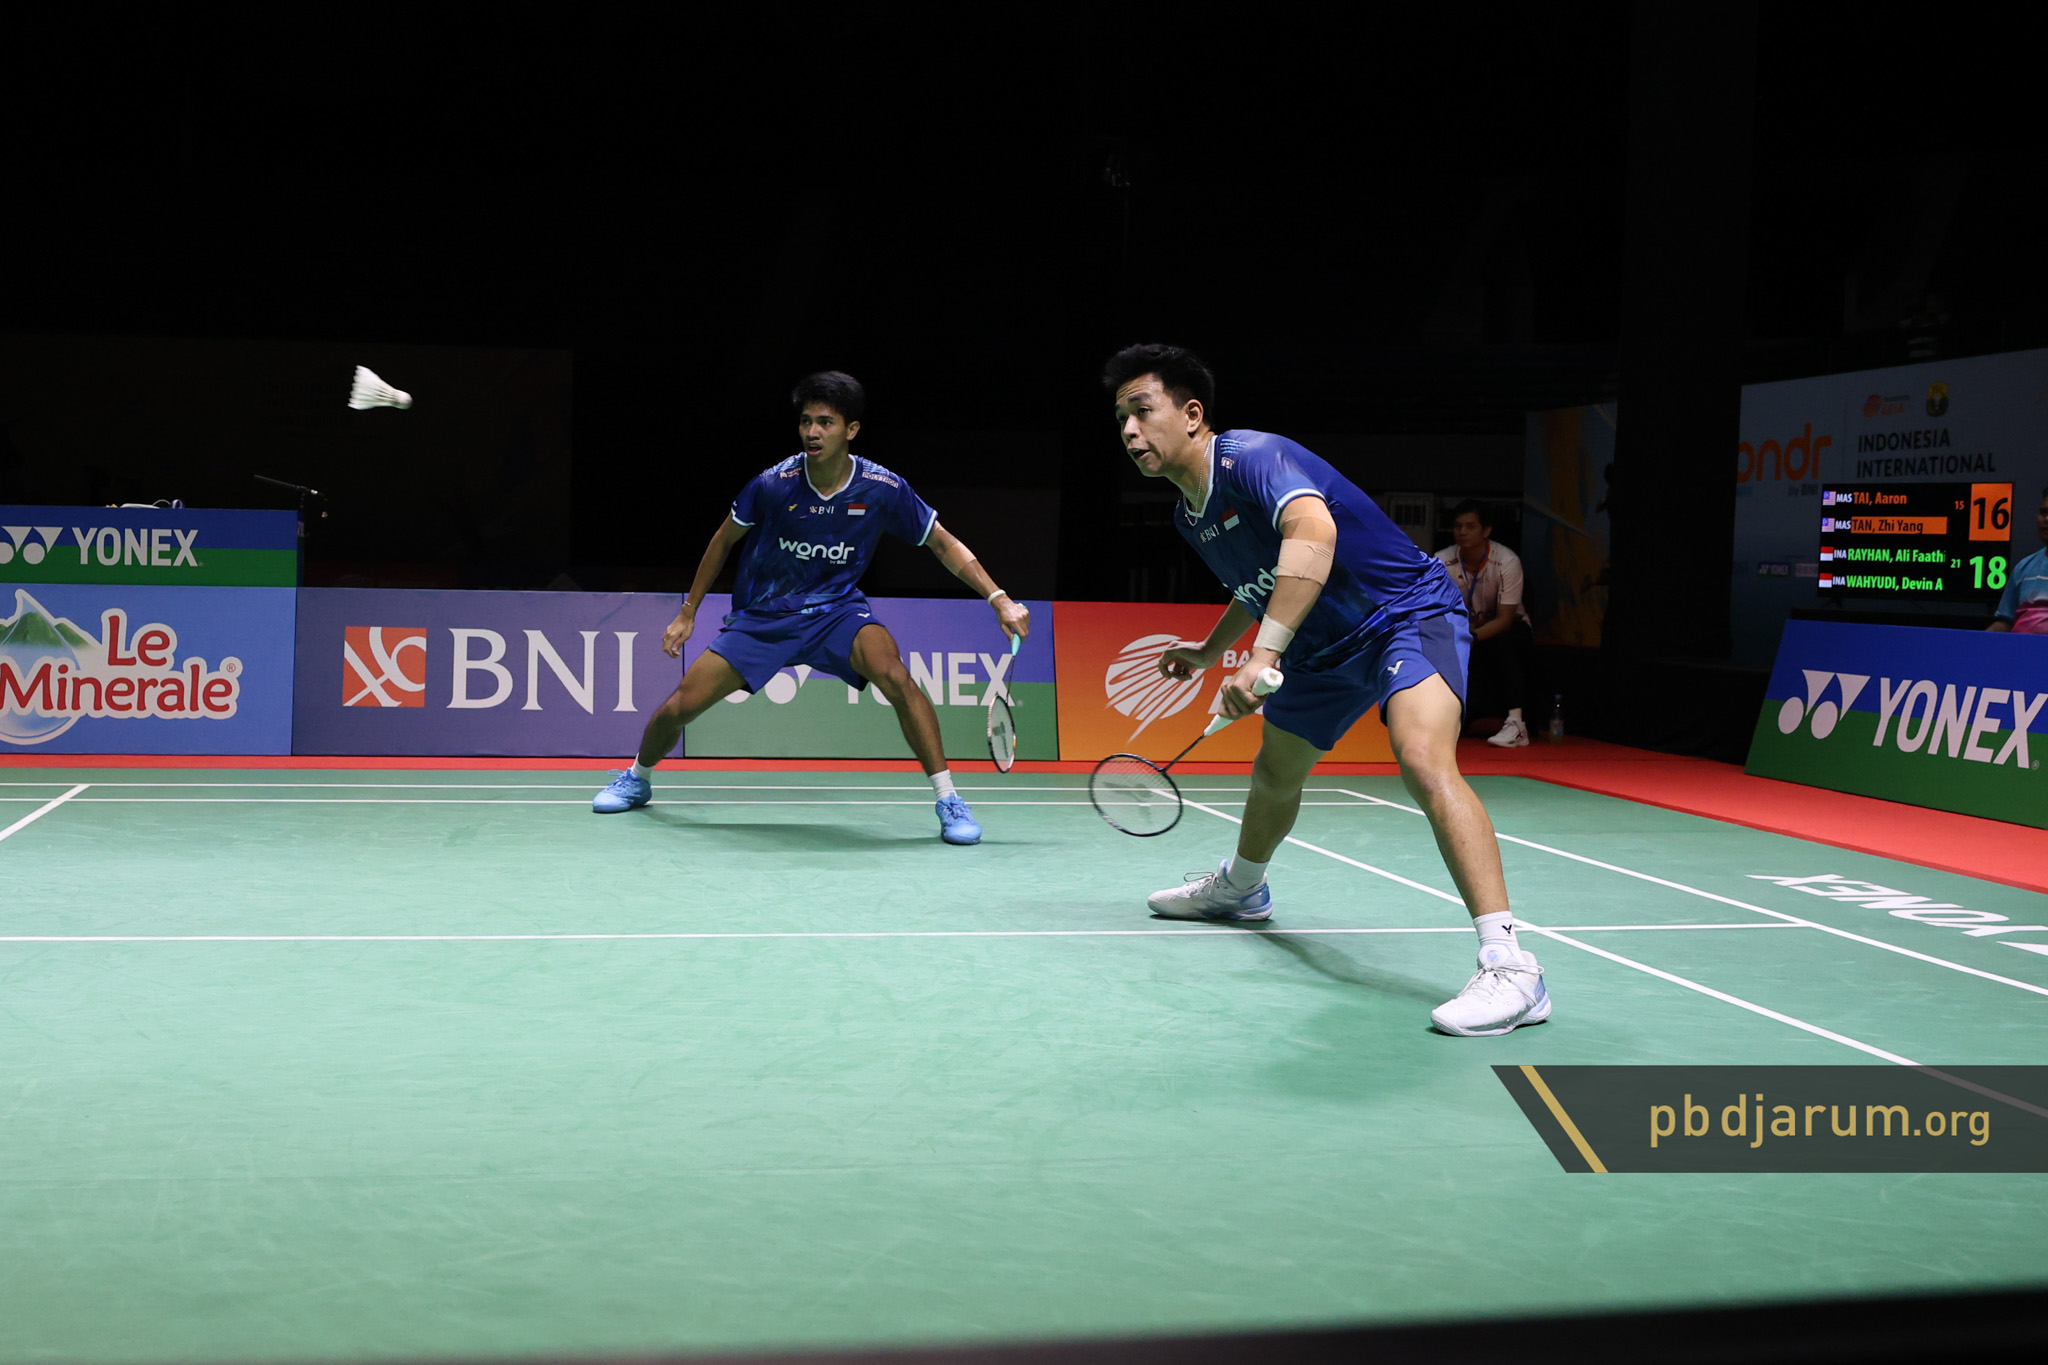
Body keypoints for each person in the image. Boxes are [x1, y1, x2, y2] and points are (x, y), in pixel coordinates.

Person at [1106, 344, 1551, 1037]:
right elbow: (1259, 583)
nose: (1130, 430)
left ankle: (1512, 966)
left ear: (1192, 415)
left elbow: (1312, 531)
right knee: (1274, 773)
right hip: (1320, 646)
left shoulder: (1252, 457)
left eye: (1142, 410)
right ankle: (1243, 887)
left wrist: (1263, 655)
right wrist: (1211, 651)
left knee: (1422, 758)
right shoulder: (1189, 516)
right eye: (1120, 419)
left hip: (1403, 615)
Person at [592, 371, 1030, 843]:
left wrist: (998, 598)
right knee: (683, 704)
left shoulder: (881, 487)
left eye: (825, 422)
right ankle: (637, 778)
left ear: (851, 430)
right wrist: (688, 611)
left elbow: (941, 542)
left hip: (837, 612)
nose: (812, 432)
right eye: (805, 421)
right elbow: (723, 540)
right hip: (766, 616)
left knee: (895, 675)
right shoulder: (773, 484)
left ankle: (948, 800)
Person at [1434, 499, 1534, 746]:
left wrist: (1470, 637)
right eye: (1458, 526)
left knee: (1506, 638)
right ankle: (1439, 718)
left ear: (1486, 530)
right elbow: (1436, 610)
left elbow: (1505, 620)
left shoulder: (1506, 561)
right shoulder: (1442, 561)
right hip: (1463, 632)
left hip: (1504, 631)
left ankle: (1516, 723)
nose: (1462, 532)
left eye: (1470, 526)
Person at [1987, 484, 2048, 635]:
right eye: (2043, 513)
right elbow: (2005, 622)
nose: (2046, 519)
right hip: (2019, 647)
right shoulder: (2024, 568)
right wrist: (1977, 642)